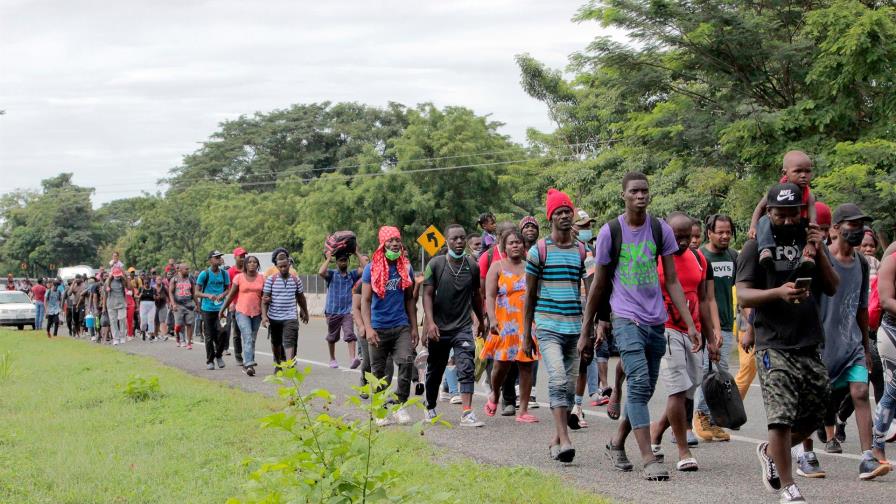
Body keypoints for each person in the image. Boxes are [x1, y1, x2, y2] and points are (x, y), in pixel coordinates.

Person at [579, 172, 692, 481]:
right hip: (624, 317)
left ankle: (616, 443)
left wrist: (691, 324)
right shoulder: (609, 232)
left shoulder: (660, 229)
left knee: (645, 387)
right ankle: (648, 458)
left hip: (656, 319)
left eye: (644, 191)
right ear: (624, 195)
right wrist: (587, 329)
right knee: (640, 383)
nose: (640, 196)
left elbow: (671, 280)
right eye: (634, 191)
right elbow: (598, 284)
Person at [737, 182, 839, 503]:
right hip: (773, 342)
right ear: (769, 212)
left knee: (820, 409)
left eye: (791, 214)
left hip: (808, 340)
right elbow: (743, 294)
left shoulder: (809, 242)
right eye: (778, 215)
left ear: (800, 212)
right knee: (779, 417)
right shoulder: (755, 246)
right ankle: (789, 488)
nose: (785, 220)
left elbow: (833, 287)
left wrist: (820, 250)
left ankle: (769, 450)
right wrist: (778, 293)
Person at [810, 204, 888, 480]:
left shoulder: (862, 264)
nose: (858, 231)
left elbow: (862, 307)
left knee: (858, 393)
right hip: (821, 346)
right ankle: (801, 451)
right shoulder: (821, 259)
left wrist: (866, 347)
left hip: (852, 342)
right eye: (852, 225)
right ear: (835, 228)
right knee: (816, 402)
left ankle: (868, 457)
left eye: (861, 226)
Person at [649, 212, 721, 472]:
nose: (682, 241)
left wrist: (711, 338)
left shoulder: (699, 258)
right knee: (677, 390)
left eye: (687, 235)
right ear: (666, 234)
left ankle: (656, 432)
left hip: (694, 333)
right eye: (676, 236)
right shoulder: (655, 258)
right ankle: (683, 451)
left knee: (688, 391)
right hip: (666, 328)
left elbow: (702, 300)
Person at [522, 188, 587, 464]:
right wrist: (526, 334)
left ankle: (556, 440)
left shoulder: (582, 250)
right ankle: (566, 440)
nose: (563, 216)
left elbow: (590, 288)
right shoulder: (539, 251)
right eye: (558, 212)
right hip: (548, 326)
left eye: (567, 212)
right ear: (550, 218)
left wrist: (591, 326)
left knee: (570, 389)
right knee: (558, 379)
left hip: (574, 327)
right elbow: (530, 295)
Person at [422, 224, 486, 427]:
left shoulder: (472, 266)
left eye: (461, 238)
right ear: (447, 241)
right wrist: (430, 323)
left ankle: (467, 413)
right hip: (439, 328)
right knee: (436, 369)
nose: (458, 242)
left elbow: (476, 295)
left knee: (466, 367)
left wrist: (481, 320)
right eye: (454, 239)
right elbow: (428, 295)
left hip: (463, 327)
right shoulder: (436, 264)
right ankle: (430, 406)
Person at [360, 226, 418, 426]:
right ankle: (379, 410)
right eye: (390, 241)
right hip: (378, 328)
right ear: (382, 244)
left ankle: (399, 404)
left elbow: (410, 299)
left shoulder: (406, 267)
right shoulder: (372, 268)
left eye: (397, 241)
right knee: (379, 373)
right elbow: (365, 301)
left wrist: (414, 328)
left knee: (407, 361)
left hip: (400, 325)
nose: (395, 244)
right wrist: (368, 328)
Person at [483, 228, 539, 423]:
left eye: (518, 242)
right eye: (511, 243)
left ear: (524, 246)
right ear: (504, 247)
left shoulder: (530, 267)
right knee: (501, 364)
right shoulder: (497, 267)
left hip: (526, 322)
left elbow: (536, 295)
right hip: (504, 322)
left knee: (526, 366)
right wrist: (492, 319)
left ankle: (522, 410)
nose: (515, 245)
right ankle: (495, 393)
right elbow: (489, 296)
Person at [693, 214, 738, 442]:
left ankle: (710, 418)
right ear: (709, 232)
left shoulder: (733, 256)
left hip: (727, 324)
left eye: (728, 232)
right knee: (705, 371)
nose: (724, 236)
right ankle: (699, 416)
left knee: (718, 371)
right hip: (703, 325)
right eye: (720, 231)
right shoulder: (701, 256)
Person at [749, 151, 818, 270]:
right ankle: (766, 250)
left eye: (807, 171)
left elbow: (813, 220)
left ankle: (806, 256)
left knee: (806, 225)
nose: (803, 175)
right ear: (784, 173)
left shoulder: (808, 194)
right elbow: (760, 207)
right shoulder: (777, 191)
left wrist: (811, 243)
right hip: (776, 226)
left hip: (797, 224)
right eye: (798, 171)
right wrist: (753, 227)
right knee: (765, 220)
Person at [571, 208, 600, 427]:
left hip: (586, 312)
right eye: (582, 227)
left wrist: (597, 318)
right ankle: (563, 404)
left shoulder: (591, 251)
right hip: (563, 312)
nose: (586, 230)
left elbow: (595, 285)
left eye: (588, 226)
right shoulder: (553, 249)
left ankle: (577, 407)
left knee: (584, 359)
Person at [319, 249, 367, 369]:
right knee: (332, 337)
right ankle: (332, 358)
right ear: (337, 263)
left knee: (350, 334)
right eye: (340, 261)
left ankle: (352, 359)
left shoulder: (352, 275)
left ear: (348, 262)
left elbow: (367, 269)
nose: (343, 263)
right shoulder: (331, 274)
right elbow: (321, 272)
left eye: (345, 260)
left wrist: (356, 252)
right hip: (332, 311)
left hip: (347, 311)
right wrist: (329, 258)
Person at [262, 248, 309, 367]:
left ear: (289, 264)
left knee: (290, 339)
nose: (283, 268)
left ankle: (289, 364)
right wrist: (264, 316)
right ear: (277, 267)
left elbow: (301, 297)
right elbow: (265, 300)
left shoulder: (295, 279)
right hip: (274, 316)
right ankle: (278, 363)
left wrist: (305, 311)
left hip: (290, 316)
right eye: (280, 266)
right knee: (276, 342)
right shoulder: (270, 280)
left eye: (285, 266)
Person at [220, 256, 265, 376]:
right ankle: (249, 364)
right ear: (245, 264)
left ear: (258, 265)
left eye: (255, 262)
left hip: (257, 312)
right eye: (249, 262)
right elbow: (230, 295)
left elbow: (265, 297)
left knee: (252, 339)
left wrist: (266, 315)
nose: (252, 264)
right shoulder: (238, 277)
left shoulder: (262, 278)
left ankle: (247, 364)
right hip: (241, 311)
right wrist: (222, 309)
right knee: (247, 336)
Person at [196, 250, 231, 370]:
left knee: (223, 332)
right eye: (216, 257)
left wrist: (223, 294)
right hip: (207, 309)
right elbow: (196, 292)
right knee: (209, 335)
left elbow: (228, 289)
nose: (219, 259)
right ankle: (210, 360)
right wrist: (208, 295)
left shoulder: (224, 273)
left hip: (221, 308)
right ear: (210, 260)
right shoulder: (204, 274)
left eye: (220, 257)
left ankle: (219, 355)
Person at [226, 247, 248, 365]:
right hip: (236, 305)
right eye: (241, 256)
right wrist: (231, 304)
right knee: (237, 332)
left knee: (248, 332)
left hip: (248, 305)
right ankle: (238, 355)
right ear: (235, 257)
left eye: (244, 256)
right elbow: (229, 290)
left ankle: (248, 355)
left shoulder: (248, 270)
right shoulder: (230, 272)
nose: (243, 259)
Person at [169, 263, 196, 349]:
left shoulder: (191, 279)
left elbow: (194, 293)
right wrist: (173, 304)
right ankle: (178, 337)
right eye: (186, 269)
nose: (188, 271)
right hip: (178, 305)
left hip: (189, 305)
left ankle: (188, 342)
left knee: (189, 323)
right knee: (178, 325)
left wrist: (198, 305)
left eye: (188, 269)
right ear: (180, 270)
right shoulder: (175, 279)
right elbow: (170, 292)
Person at [105, 267, 129, 345]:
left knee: (122, 319)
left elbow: (129, 287)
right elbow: (104, 294)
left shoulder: (123, 281)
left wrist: (124, 277)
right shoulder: (108, 281)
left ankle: (122, 337)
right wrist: (104, 307)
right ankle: (116, 338)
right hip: (111, 304)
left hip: (121, 303)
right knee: (113, 321)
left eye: (118, 275)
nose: (117, 277)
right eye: (116, 275)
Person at [137, 275, 157, 340]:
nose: (146, 284)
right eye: (145, 283)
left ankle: (151, 334)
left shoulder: (153, 289)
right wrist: (140, 295)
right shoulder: (141, 288)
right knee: (143, 320)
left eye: (147, 283)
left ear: (149, 282)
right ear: (143, 283)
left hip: (152, 305)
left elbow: (157, 297)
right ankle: (143, 331)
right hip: (143, 305)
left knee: (151, 320)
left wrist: (156, 297)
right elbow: (135, 296)